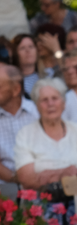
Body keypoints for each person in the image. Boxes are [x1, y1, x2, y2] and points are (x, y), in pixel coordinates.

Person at [13, 77, 77, 190]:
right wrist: (67, 172)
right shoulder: (25, 134)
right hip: (41, 198)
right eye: (44, 100)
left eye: (55, 98)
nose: (50, 104)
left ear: (63, 103)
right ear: (37, 106)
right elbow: (26, 179)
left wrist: (49, 175)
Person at [0, 65, 37, 193]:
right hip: (5, 186)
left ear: (16, 89)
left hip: (42, 182)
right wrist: (17, 178)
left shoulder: (38, 112)